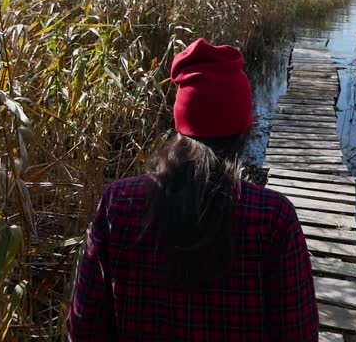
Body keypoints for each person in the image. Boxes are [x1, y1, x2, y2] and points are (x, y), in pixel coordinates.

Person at [67, 38, 318, 341]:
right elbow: (299, 333)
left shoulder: (118, 204)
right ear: (244, 130)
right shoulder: (273, 217)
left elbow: (84, 328)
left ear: (179, 124)